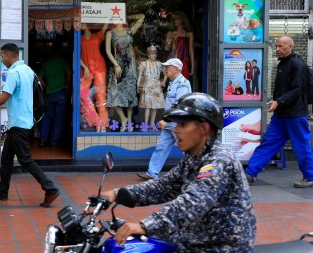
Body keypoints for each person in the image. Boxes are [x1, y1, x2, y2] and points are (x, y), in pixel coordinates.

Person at [100, 93, 256, 251]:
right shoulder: (193, 157)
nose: (175, 130)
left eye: (183, 125)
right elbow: (164, 186)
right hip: (193, 238)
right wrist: (117, 193)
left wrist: (145, 226)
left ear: (204, 128)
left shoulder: (219, 160)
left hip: (220, 246)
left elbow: (194, 202)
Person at [0, 43, 60, 207]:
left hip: (19, 123)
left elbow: (4, 97)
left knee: (25, 159)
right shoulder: (28, 70)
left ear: (8, 56)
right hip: (24, 121)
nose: (1, 59)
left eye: (2, 56)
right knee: (6, 157)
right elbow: (41, 85)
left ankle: (50, 188)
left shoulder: (14, 73)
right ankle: (2, 190)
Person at [245, 36, 313, 188]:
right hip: (281, 115)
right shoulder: (283, 63)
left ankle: (309, 176)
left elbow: (298, 89)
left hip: (295, 115)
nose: (277, 49)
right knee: (268, 143)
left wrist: (278, 101)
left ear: (290, 47)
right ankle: (250, 173)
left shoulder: (298, 65)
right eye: (276, 46)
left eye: (281, 46)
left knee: (301, 146)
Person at [137, 58, 191, 181]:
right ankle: (152, 173)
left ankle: (195, 173)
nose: (166, 69)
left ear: (176, 68)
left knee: (187, 150)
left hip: (177, 124)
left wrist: (167, 121)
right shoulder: (173, 82)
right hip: (170, 124)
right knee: (161, 147)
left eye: (168, 67)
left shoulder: (182, 83)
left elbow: (180, 105)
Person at [105, 14, 145, 132]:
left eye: (119, 17)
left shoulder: (129, 31)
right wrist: (116, 65)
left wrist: (127, 15)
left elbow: (142, 17)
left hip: (130, 67)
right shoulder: (110, 33)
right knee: (113, 94)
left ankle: (128, 123)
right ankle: (124, 119)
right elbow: (108, 51)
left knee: (130, 95)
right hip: (118, 66)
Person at [39, 42, 72, 146]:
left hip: (49, 93)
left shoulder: (46, 63)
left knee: (47, 117)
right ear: (60, 52)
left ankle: (43, 139)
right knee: (59, 118)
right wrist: (67, 85)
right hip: (61, 93)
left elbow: (39, 78)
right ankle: (54, 142)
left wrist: (46, 85)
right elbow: (69, 73)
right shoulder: (63, 62)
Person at [80, 23, 108, 131]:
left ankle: (103, 125)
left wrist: (109, 13)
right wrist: (84, 66)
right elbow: (76, 55)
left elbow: (105, 27)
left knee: (101, 96)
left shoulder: (97, 36)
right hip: (87, 69)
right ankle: (97, 121)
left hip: (99, 67)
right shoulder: (79, 38)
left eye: (83, 23)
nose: (81, 24)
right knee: (82, 95)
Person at [136, 45, 165, 127]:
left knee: (154, 106)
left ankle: (152, 124)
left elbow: (165, 73)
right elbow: (140, 75)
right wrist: (138, 85)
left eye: (155, 53)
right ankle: (145, 124)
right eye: (152, 53)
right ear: (148, 54)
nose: (154, 55)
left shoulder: (159, 64)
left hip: (156, 86)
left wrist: (163, 82)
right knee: (148, 106)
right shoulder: (144, 64)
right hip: (148, 86)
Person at [165, 11, 195, 80]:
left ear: (182, 20)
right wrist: (170, 39)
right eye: (174, 19)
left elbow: (191, 50)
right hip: (173, 63)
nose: (175, 21)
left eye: (177, 19)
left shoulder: (189, 34)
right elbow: (166, 48)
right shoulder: (170, 33)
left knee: (184, 84)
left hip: (184, 63)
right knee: (174, 85)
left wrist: (193, 66)